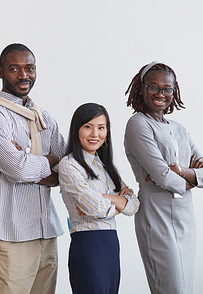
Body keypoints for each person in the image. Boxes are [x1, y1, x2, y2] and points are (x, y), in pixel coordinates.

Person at [0, 43, 66, 294]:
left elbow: (67, 167)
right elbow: (18, 170)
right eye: (14, 69)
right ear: (0, 71)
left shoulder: (41, 116)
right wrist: (46, 161)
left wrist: (28, 160)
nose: (24, 75)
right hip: (11, 233)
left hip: (46, 231)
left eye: (30, 68)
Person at [124, 61, 203, 294]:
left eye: (167, 89)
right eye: (153, 87)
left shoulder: (180, 129)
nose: (160, 94)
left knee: (184, 288)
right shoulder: (138, 124)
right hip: (157, 217)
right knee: (170, 289)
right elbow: (163, 177)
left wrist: (182, 172)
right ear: (141, 88)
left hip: (186, 220)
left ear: (174, 92)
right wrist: (190, 178)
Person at [59, 103, 139, 294]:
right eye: (88, 126)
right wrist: (117, 201)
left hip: (111, 244)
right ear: (77, 129)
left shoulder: (106, 168)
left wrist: (103, 198)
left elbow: (135, 204)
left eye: (101, 127)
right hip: (88, 245)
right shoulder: (69, 165)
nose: (95, 133)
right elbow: (96, 209)